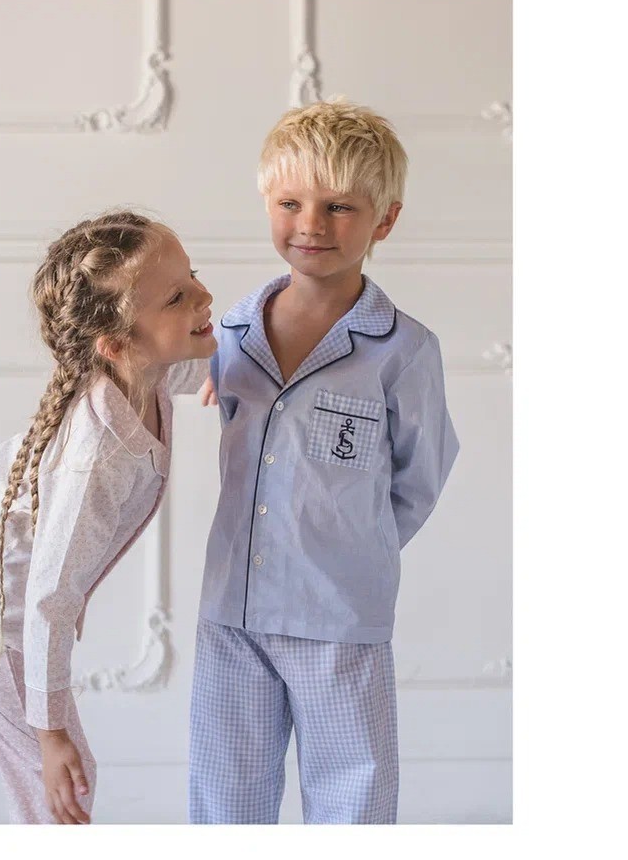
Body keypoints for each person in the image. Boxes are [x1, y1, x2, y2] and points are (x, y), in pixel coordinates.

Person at [189, 100, 460, 824]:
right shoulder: (225, 334)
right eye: (290, 203)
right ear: (267, 203)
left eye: (339, 206)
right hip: (231, 609)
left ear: (384, 220)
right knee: (225, 797)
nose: (310, 224)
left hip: (339, 615)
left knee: (351, 797)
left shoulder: (403, 350)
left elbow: (421, 476)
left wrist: (350, 546)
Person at [0, 210, 214, 824]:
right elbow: (50, 598)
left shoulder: (141, 370)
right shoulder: (96, 459)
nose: (204, 296)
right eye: (177, 297)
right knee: (61, 782)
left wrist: (239, 366)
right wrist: (49, 733)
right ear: (116, 344)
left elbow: (210, 358)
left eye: (194, 276)